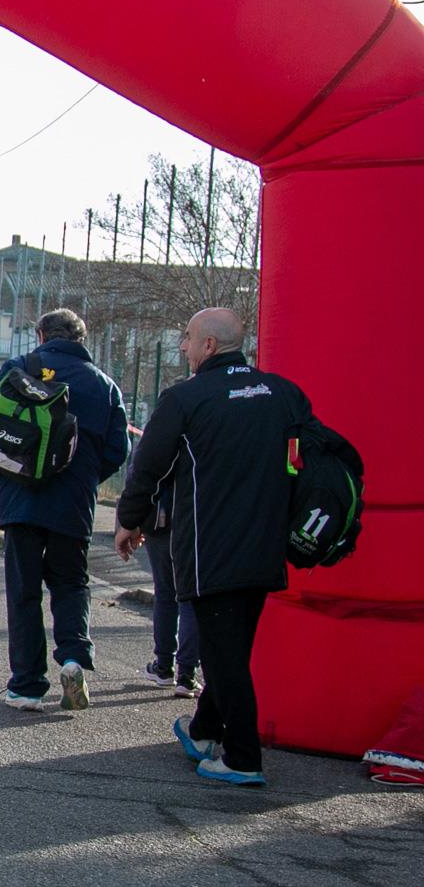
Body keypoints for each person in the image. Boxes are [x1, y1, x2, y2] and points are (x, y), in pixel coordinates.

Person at [115, 308, 311, 786]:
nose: (182, 346)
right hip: (265, 545)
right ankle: (203, 730)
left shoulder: (185, 398)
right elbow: (310, 459)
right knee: (231, 648)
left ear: (208, 346)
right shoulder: (284, 394)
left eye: (187, 338)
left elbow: (148, 468)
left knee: (224, 657)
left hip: (210, 550)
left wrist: (129, 521)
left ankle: (242, 757)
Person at [0, 309, 129, 715]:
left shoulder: (19, 368)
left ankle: (27, 686)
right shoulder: (104, 386)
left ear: (41, 335)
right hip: (73, 504)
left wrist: (12, 467)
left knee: (24, 591)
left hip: (20, 499)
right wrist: (85, 478)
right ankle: (75, 656)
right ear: (81, 338)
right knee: (71, 582)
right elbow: (118, 450)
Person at [139, 476, 201, 698]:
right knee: (190, 597)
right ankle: (187, 673)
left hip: (162, 519)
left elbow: (142, 473)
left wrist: (130, 518)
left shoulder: (162, 449)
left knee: (165, 594)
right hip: (196, 520)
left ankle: (164, 666)